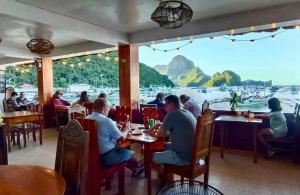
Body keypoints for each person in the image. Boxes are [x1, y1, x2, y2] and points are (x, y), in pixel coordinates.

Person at [86, 98, 144, 176]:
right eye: (108, 107)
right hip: (106, 158)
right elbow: (121, 138)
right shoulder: (106, 121)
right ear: (103, 108)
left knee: (122, 150)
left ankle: (134, 168)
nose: (109, 109)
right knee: (131, 154)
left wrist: (115, 127)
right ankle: (136, 169)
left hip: (90, 158)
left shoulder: (86, 118)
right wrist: (126, 130)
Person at [150, 95, 197, 166]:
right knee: (162, 145)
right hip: (194, 155)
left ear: (171, 104)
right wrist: (160, 124)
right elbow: (174, 129)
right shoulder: (187, 112)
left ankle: (163, 173)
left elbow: (160, 135)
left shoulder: (172, 113)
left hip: (184, 158)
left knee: (150, 155)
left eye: (166, 104)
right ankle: (164, 171)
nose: (164, 106)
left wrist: (150, 132)